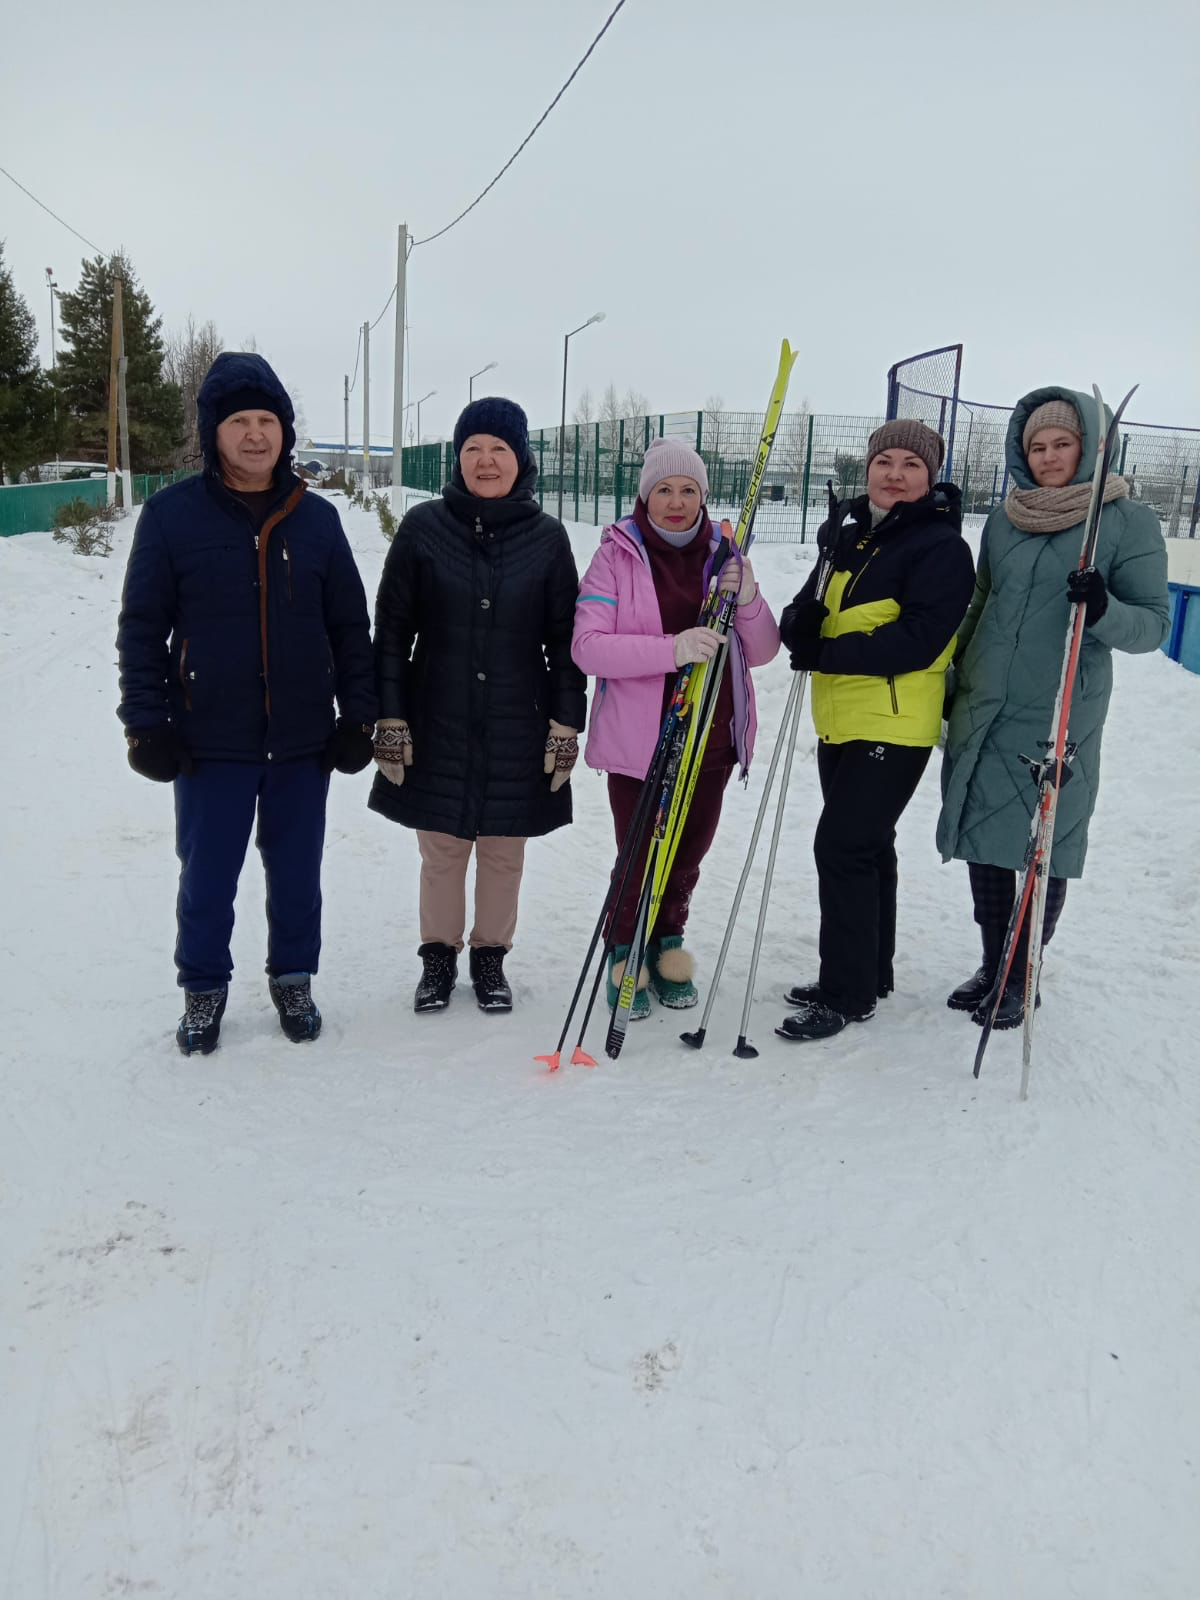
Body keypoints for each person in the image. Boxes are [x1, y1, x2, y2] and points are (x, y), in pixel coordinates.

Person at [116, 351, 377, 1055]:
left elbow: (351, 629)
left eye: (268, 420)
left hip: (300, 741)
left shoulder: (317, 521)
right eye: (240, 421)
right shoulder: (172, 517)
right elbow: (143, 627)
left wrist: (358, 717)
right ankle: (203, 989)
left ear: (286, 431)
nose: (256, 434)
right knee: (207, 878)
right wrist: (146, 724)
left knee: (296, 874)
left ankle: (293, 977)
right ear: (214, 431)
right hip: (210, 740)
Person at [937, 387, 1170, 1027]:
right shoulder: (1007, 518)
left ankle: (1021, 974)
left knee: (1045, 838)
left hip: (1061, 704)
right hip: (986, 698)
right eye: (1036, 446)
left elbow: (1152, 626)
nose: (1047, 457)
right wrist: (949, 675)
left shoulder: (1126, 520)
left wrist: (1102, 610)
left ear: (1091, 448)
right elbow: (980, 603)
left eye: (1061, 444)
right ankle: (994, 960)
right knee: (985, 836)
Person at [369, 397, 586, 1014]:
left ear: (521, 460)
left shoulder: (546, 539)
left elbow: (564, 641)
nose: (486, 461)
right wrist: (389, 716)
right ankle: (437, 957)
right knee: (440, 847)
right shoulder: (423, 530)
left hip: (519, 719)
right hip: (436, 716)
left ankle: (490, 957)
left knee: (502, 848)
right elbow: (390, 632)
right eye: (473, 450)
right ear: (456, 459)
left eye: (499, 450)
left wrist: (567, 723)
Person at [776, 419, 976, 1042]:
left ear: (931, 476)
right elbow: (812, 607)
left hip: (894, 721)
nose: (895, 474)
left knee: (842, 847)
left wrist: (824, 653)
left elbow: (919, 639)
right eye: (884, 461)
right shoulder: (847, 536)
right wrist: (797, 624)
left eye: (911, 465)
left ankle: (846, 992)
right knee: (869, 847)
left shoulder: (941, 548)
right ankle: (870, 972)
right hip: (840, 718)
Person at [571, 437, 780, 1018]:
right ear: (645, 495)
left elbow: (760, 651)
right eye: (663, 488)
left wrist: (750, 596)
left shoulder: (725, 554)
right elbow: (588, 647)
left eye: (689, 489)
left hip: (710, 737)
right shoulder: (617, 553)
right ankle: (624, 949)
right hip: (642, 741)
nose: (676, 501)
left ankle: (667, 946)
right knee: (639, 853)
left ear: (703, 496)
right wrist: (673, 649)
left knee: (688, 853)